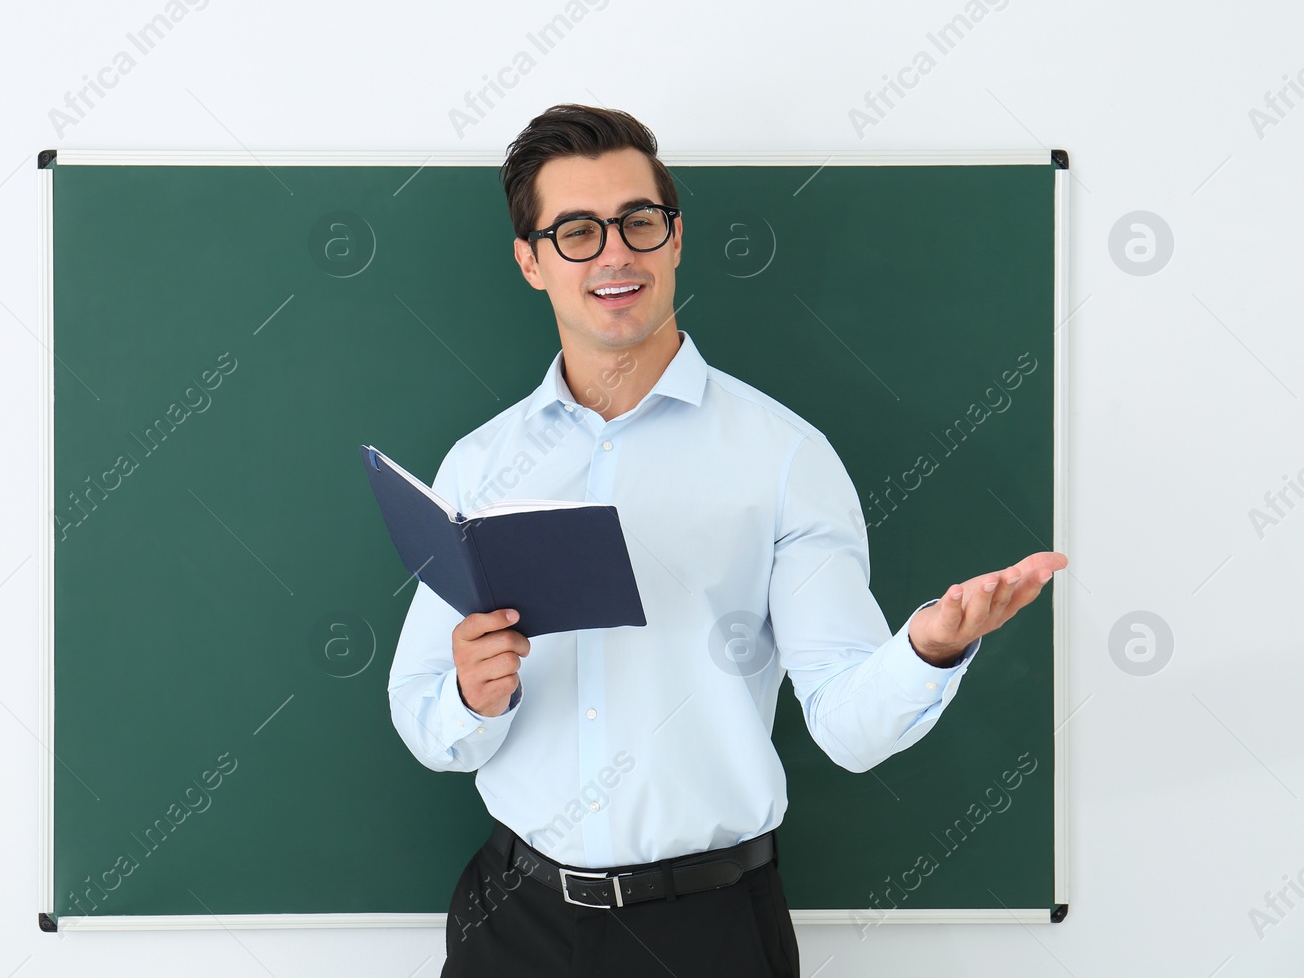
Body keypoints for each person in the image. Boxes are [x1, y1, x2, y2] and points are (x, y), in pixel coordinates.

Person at [386, 103, 1067, 978]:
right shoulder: (481, 462)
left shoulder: (782, 457)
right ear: (531, 260)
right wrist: (473, 703)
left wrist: (932, 648)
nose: (615, 254)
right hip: (511, 924)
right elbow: (420, 709)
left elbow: (849, 725)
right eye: (577, 232)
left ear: (674, 238)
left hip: (707, 934)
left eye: (639, 222)